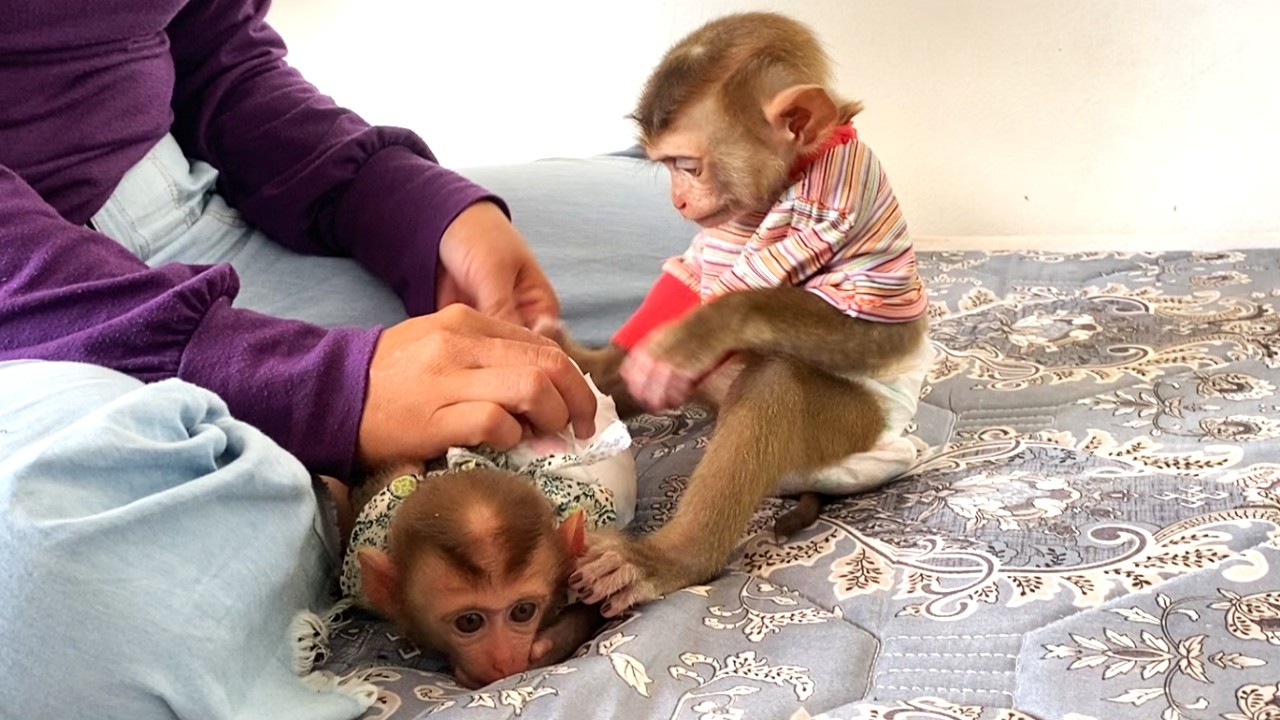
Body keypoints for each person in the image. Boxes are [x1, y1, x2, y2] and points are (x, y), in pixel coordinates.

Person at [0, 0, 688, 717]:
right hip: (25, 322)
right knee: (36, 577)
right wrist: (328, 389)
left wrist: (405, 205)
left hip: (190, 207)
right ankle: (296, 509)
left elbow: (215, 49)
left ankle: (275, 506)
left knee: (729, 240)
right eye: (478, 618)